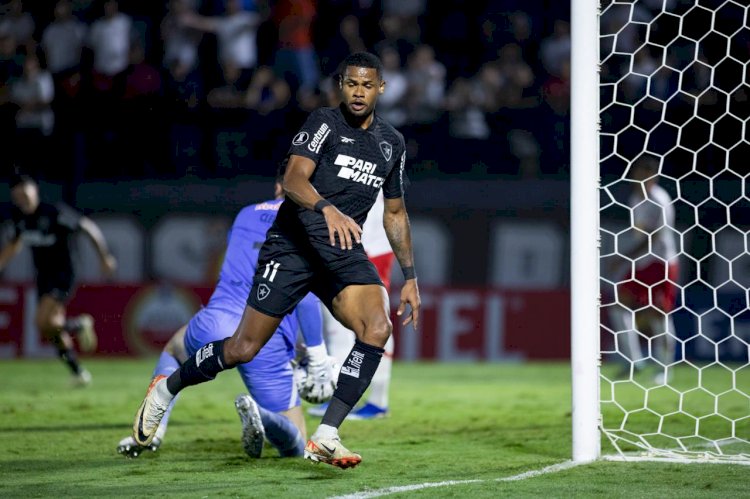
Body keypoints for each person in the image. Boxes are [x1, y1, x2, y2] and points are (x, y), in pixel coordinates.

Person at [131, 52, 420, 469]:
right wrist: (327, 209)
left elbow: (395, 213)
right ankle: (166, 390)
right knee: (242, 348)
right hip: (294, 247)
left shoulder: (391, 143)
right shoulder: (324, 123)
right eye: (352, 84)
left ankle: (326, 434)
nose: (359, 92)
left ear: (381, 89)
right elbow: (294, 178)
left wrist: (410, 276)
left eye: (367, 85)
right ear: (342, 85)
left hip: (340, 252)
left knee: (377, 328)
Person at [117, 179, 336, 459]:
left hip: (218, 320)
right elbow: (305, 297)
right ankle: (263, 417)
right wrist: (317, 353)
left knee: (174, 350)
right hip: (267, 339)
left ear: (279, 185)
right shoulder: (314, 222)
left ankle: (154, 431)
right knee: (295, 444)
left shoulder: (246, 214)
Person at [0, 174, 117, 386]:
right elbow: (14, 245)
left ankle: (79, 326)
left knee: (41, 321)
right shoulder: (20, 219)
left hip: (64, 275)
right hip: (43, 278)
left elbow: (87, 227)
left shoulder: (54, 213)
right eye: (18, 197)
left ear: (34, 191)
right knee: (50, 328)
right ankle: (78, 370)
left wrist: (104, 256)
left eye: (25, 195)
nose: (22, 200)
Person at [309, 191, 396, 420]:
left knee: (370, 318)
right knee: (339, 318)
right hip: (358, 239)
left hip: (367, 243)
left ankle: (375, 402)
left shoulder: (377, 159)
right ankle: (342, 395)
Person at [608, 155, 679, 384]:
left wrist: (623, 258)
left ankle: (664, 370)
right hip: (642, 263)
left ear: (653, 176)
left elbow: (653, 237)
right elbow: (639, 231)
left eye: (645, 173)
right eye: (637, 172)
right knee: (618, 305)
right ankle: (633, 362)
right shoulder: (634, 199)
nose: (639, 177)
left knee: (659, 314)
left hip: (661, 263)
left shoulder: (660, 200)